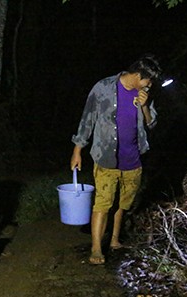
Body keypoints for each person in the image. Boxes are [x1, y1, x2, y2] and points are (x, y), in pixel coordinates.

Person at [70, 55, 162, 265]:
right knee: (103, 203)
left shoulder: (145, 94)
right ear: (139, 75)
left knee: (123, 203)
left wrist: (145, 107)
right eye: (149, 80)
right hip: (105, 157)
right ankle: (95, 248)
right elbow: (87, 119)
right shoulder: (103, 88)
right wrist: (77, 150)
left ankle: (114, 240)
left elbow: (151, 123)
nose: (150, 85)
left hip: (133, 159)